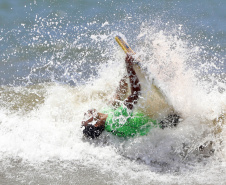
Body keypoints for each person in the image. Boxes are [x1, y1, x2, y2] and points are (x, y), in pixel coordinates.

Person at [81, 55, 178, 139]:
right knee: (178, 117)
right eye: (87, 119)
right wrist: (129, 67)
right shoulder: (115, 121)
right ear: (96, 123)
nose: (86, 115)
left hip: (149, 117)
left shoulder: (104, 113)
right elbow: (135, 94)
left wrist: (126, 73)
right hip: (163, 125)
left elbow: (118, 95)